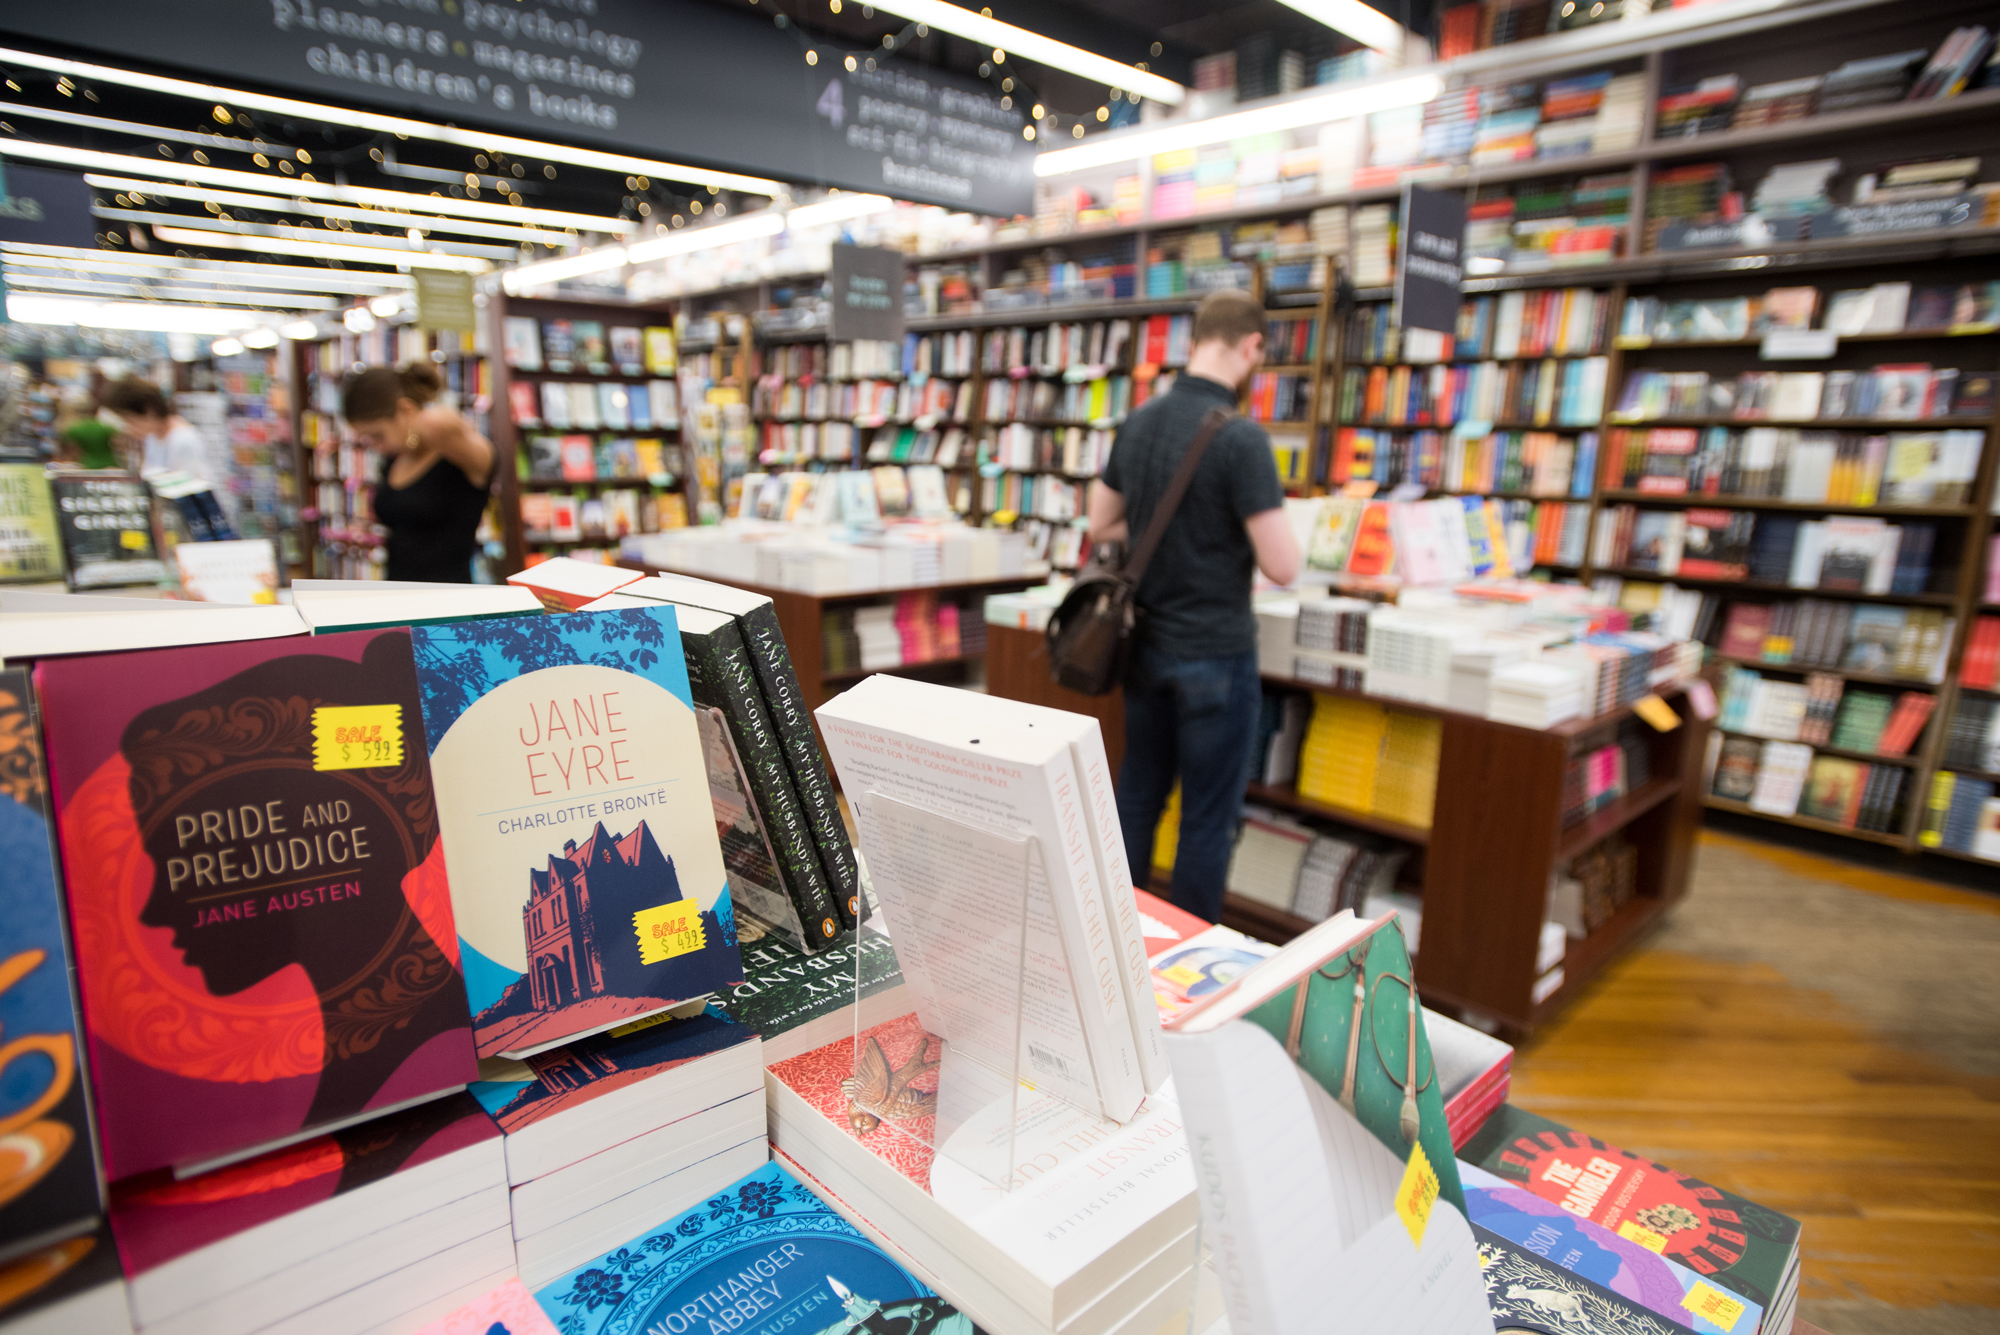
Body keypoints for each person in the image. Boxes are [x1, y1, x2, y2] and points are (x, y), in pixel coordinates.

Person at [1087, 289, 1302, 923]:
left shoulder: (1142, 420)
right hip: (1215, 654)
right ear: (1252, 347)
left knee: (1138, 799)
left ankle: (1120, 942)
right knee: (1206, 820)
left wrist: (1166, 525)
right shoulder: (1242, 441)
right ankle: (1187, 958)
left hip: (1146, 648)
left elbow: (1102, 524)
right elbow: (1283, 566)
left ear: (1194, 341)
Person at [341, 363, 494, 583]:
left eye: (377, 435)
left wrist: (417, 418)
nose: (374, 445)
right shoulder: (394, 459)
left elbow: (440, 421)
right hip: (398, 592)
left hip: (449, 600)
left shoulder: (460, 454)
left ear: (406, 410)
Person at [104, 376, 206, 477]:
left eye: (130, 420)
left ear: (149, 411)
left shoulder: (182, 439)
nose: (129, 427)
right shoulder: (153, 437)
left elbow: (189, 486)